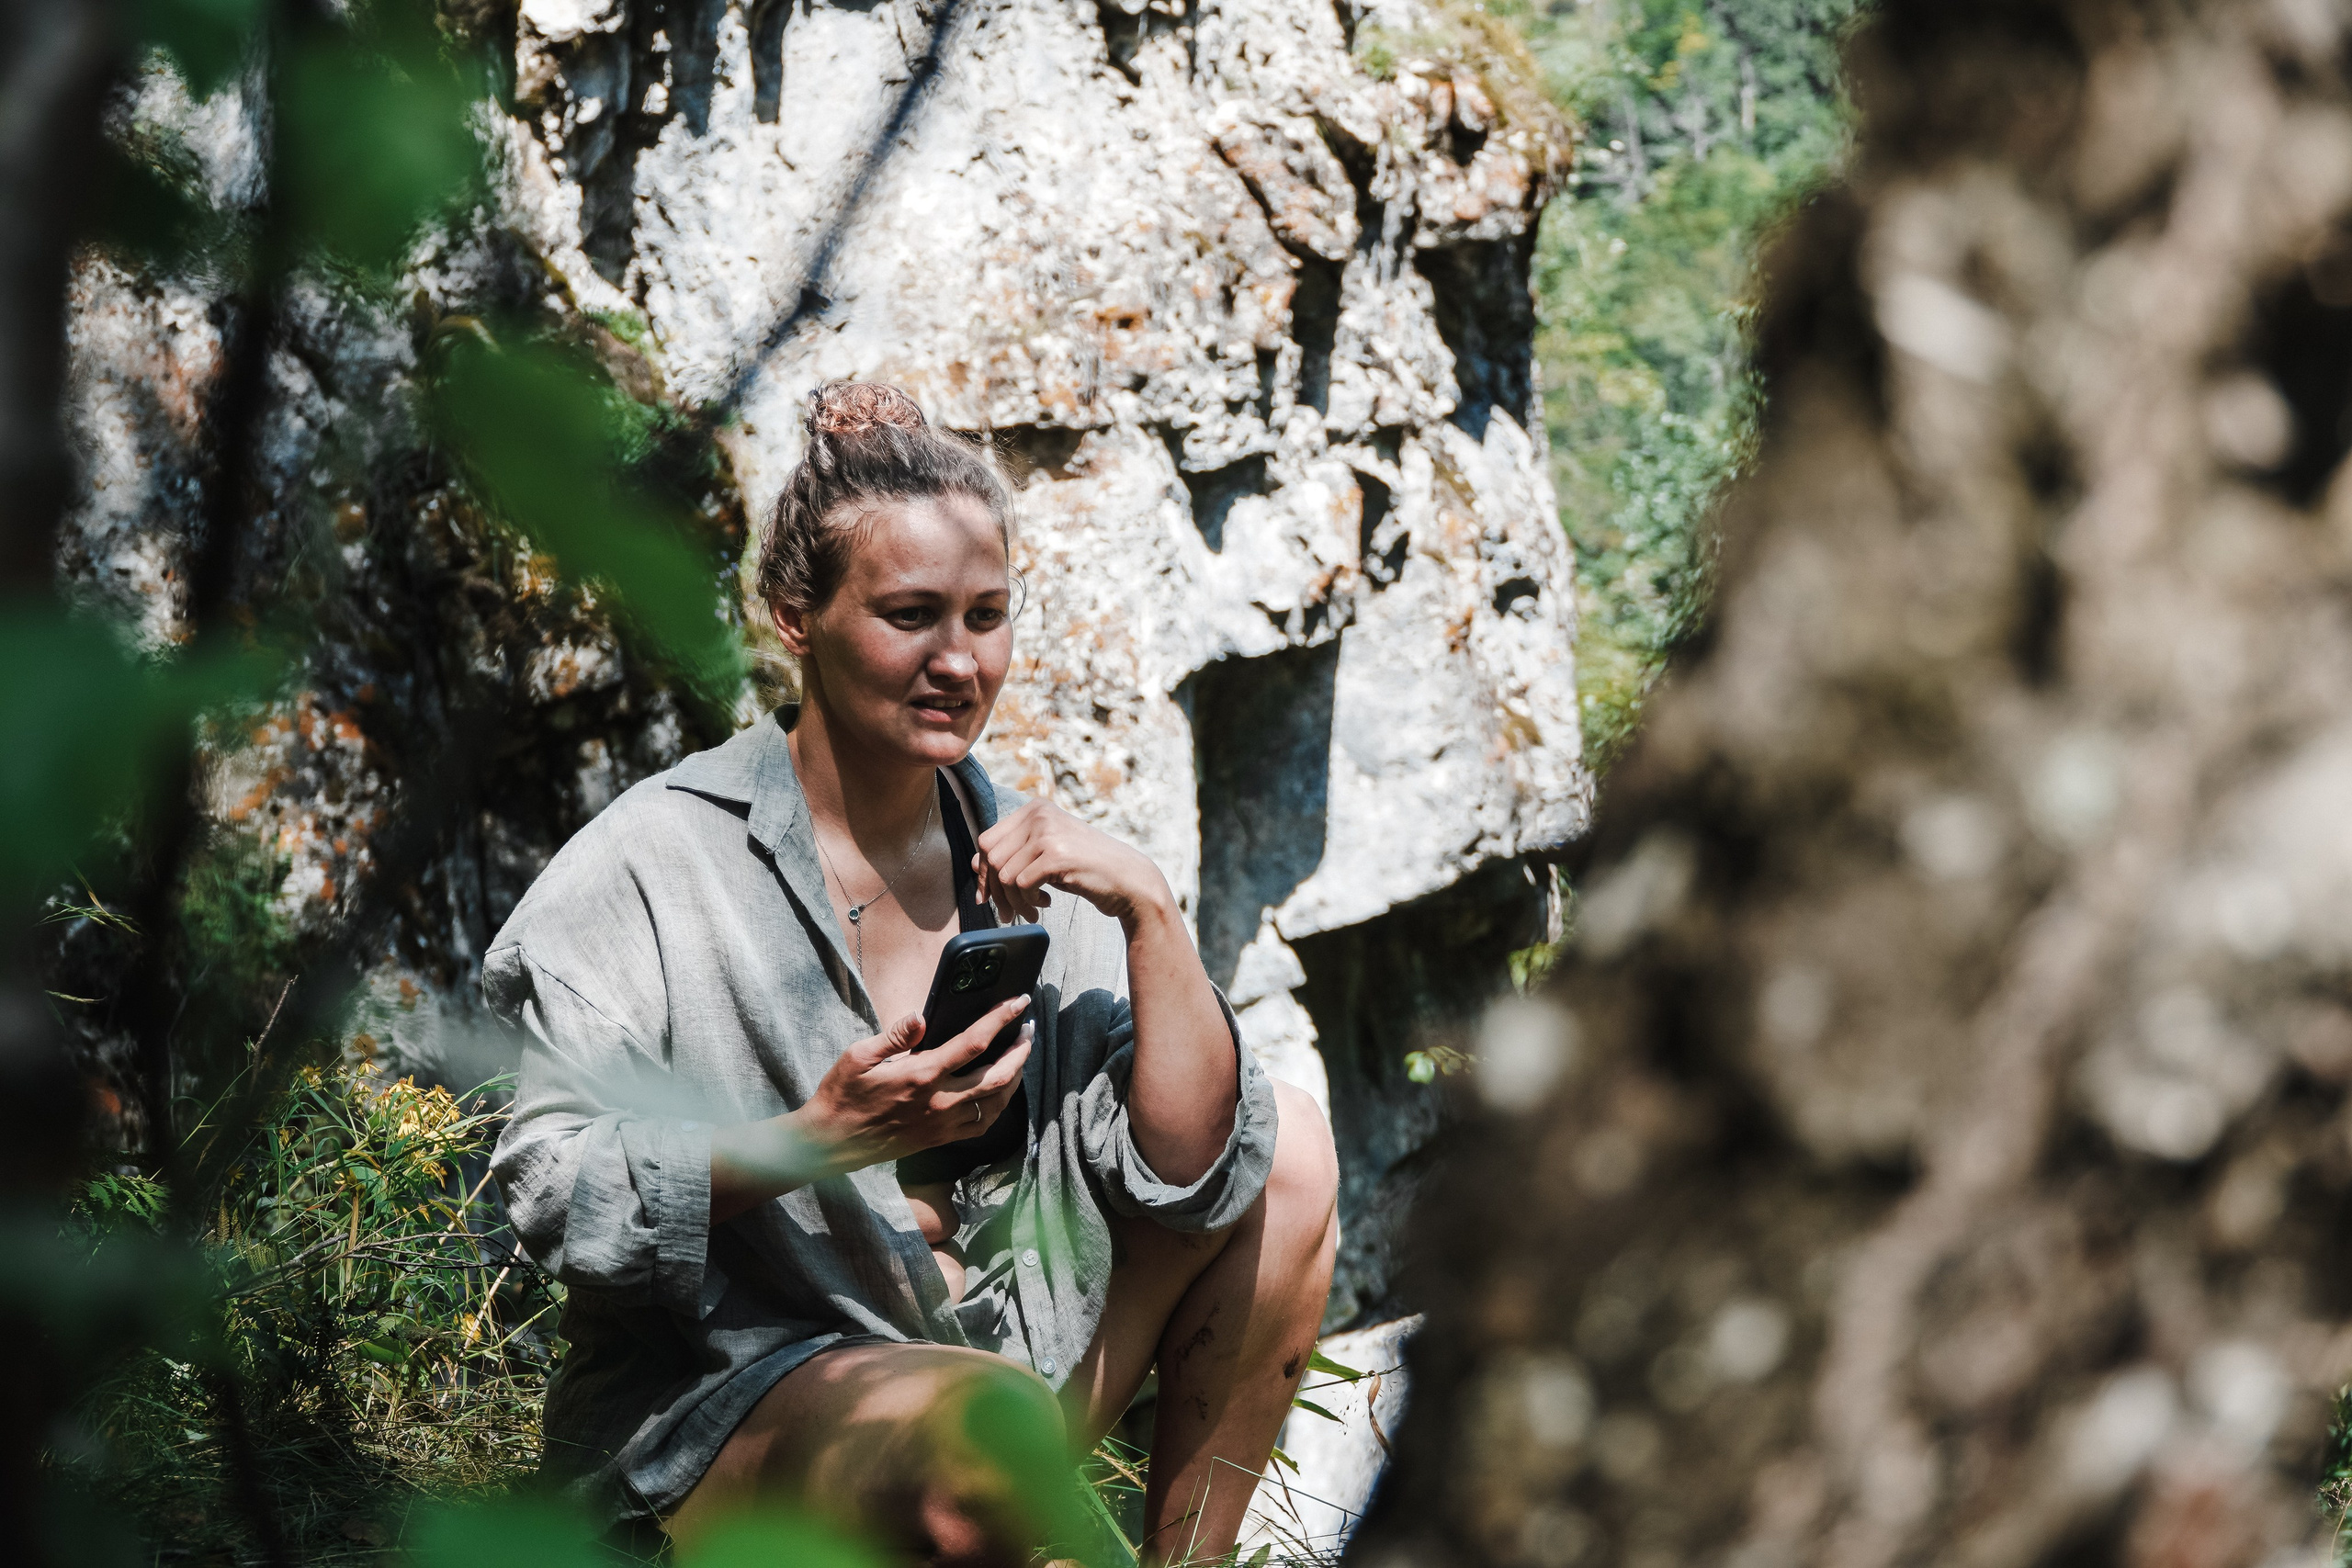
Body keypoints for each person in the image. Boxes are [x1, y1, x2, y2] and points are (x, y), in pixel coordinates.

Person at [486, 381, 1340, 1566]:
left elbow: (1193, 1175)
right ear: (797, 615)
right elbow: (544, 1196)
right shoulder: (651, 861)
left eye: (987, 616)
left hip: (1002, 1370)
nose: (958, 661)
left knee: (1288, 1147)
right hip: (738, 1408)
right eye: (909, 615)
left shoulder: (1027, 870)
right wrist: (816, 1137)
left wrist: (1148, 909)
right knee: (973, 1440)